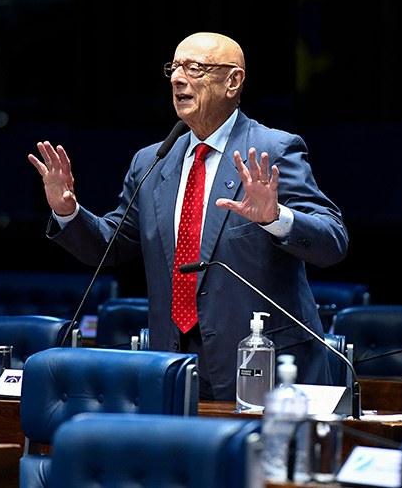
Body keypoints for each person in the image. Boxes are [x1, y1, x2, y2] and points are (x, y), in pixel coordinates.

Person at [27, 31, 349, 400]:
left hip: (260, 364)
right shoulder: (152, 162)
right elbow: (109, 247)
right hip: (174, 365)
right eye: (175, 68)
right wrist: (68, 211)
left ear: (233, 81)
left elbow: (333, 240)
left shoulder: (272, 150)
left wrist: (276, 217)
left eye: (195, 68)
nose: (178, 79)